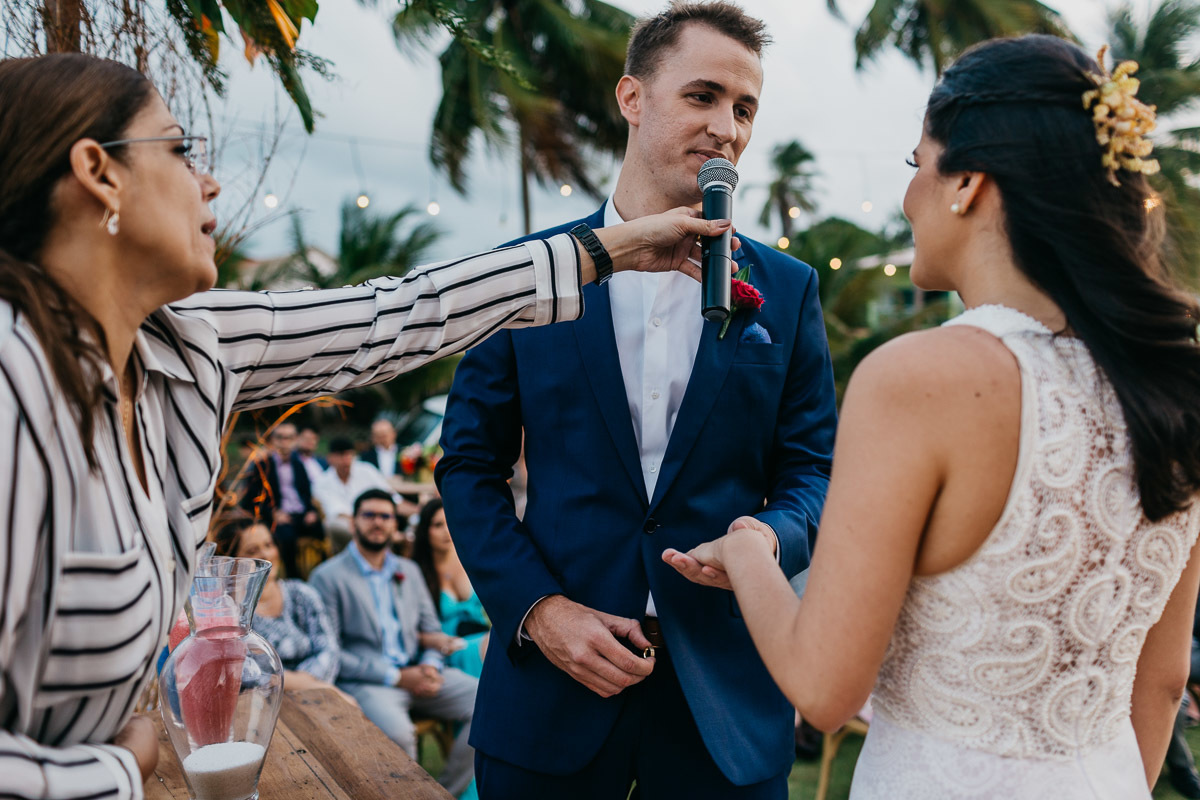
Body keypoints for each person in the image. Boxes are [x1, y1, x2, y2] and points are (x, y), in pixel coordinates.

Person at [0, 52, 732, 799]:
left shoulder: (189, 349)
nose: (209, 181)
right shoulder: (12, 383)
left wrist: (608, 252)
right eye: (182, 149)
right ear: (98, 170)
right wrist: (115, 767)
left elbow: (398, 316)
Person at [666, 35, 1200, 799]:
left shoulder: (921, 378)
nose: (908, 195)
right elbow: (1163, 679)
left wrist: (750, 551)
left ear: (968, 184)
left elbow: (824, 688)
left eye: (917, 165)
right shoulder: (1175, 383)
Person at [436, 3, 838, 797]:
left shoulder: (786, 291)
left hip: (723, 704)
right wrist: (539, 610)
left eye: (745, 108)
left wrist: (769, 538)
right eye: (703, 96)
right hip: (551, 694)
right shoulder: (527, 272)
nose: (727, 127)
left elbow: (813, 471)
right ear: (632, 97)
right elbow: (468, 466)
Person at [308, 489, 476, 798]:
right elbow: (330, 653)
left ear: (394, 525)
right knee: (399, 735)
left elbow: (431, 629)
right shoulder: (327, 577)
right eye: (369, 515)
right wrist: (397, 677)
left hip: (418, 670)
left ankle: (446, 793)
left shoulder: (408, 570)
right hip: (370, 682)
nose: (378, 522)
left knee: (486, 702)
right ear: (354, 522)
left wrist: (429, 664)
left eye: (385, 516)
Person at [212, 514, 352, 704]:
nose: (266, 555)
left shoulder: (301, 594)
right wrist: (309, 685)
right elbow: (243, 672)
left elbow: (329, 650)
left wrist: (308, 684)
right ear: (233, 563)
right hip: (256, 705)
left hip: (317, 696)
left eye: (269, 545)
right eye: (253, 550)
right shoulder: (227, 612)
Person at [411, 498, 490, 678]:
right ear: (425, 530)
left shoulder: (471, 559)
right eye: (438, 525)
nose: (446, 531)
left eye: (450, 523)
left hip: (481, 634)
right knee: (493, 646)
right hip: (447, 647)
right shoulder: (417, 571)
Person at [240, 421, 324, 578]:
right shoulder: (262, 466)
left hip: (300, 514)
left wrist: (310, 511)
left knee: (320, 529)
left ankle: (320, 573)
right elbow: (251, 500)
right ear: (273, 440)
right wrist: (273, 513)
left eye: (290, 438)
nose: (285, 442)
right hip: (277, 517)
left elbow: (306, 493)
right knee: (287, 538)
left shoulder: (298, 464)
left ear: (296, 439)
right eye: (280, 438)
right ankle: (294, 578)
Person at [313, 435, 396, 554]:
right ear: (330, 458)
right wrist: (368, 524)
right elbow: (337, 513)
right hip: (346, 526)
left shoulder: (367, 470)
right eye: (341, 456)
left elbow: (391, 495)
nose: (346, 460)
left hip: (374, 519)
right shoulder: (321, 482)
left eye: (349, 455)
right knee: (335, 525)